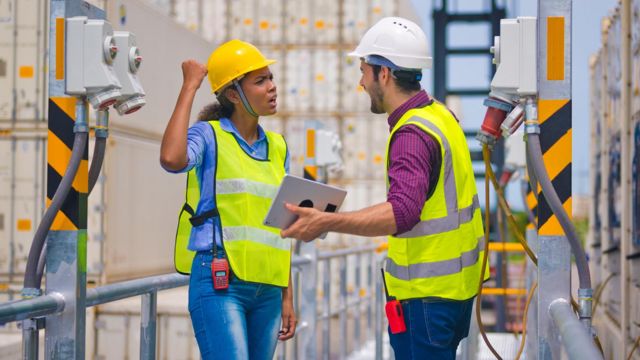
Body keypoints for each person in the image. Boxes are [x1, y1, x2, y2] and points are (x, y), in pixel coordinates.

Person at [281, 17, 487, 359]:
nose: (361, 82)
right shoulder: (441, 115)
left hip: (426, 299)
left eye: (363, 70)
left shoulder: (411, 134)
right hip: (455, 292)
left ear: (384, 74)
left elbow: (402, 212)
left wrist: (326, 221)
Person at [160, 39, 296, 360]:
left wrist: (287, 296)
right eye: (260, 81)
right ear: (234, 94)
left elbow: (282, 227)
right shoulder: (209, 136)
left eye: (270, 78)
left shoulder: (278, 147)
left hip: (268, 289)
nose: (272, 87)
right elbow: (171, 158)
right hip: (220, 282)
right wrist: (190, 87)